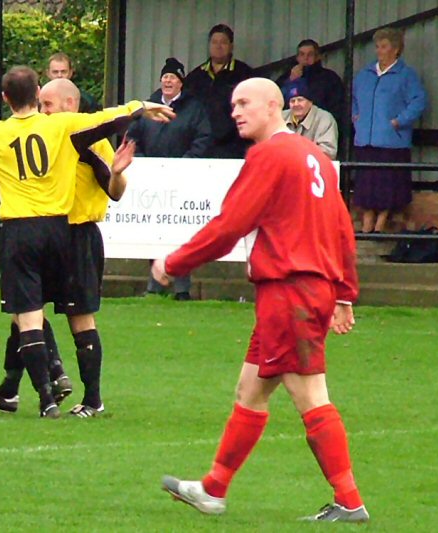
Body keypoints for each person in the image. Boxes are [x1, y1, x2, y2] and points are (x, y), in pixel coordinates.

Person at [153, 78, 369, 523]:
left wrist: (175, 262)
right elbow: (342, 230)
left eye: (245, 102)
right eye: (233, 104)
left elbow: (231, 224)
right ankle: (213, 489)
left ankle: (350, 501)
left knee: (310, 395)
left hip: (290, 288)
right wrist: (345, 293)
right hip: (307, 288)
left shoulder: (268, 154)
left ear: (275, 106)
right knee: (250, 389)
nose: (236, 111)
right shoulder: (316, 158)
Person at [0, 66, 173, 418]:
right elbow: (16, 180)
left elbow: (114, 193)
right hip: (52, 231)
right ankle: (15, 388)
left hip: (77, 235)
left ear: (71, 103)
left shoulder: (81, 136)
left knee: (69, 317)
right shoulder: (51, 131)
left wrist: (116, 172)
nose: (45, 108)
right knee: (24, 312)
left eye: (50, 103)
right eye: (42, 101)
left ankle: (89, 397)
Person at [127, 57, 211, 300]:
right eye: (165, 76)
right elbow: (132, 138)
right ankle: (154, 285)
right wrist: (143, 162)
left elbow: (203, 138)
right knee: (155, 231)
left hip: (184, 180)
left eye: (173, 77)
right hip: (152, 182)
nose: (168, 80)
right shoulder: (147, 107)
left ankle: (181, 287)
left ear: (181, 82)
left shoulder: (195, 108)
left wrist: (186, 164)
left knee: (181, 234)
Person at [352, 27, 426, 233]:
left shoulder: (406, 75)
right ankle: (368, 220)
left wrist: (399, 121)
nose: (379, 51)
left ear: (396, 50)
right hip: (366, 138)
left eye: (384, 46)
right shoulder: (365, 74)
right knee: (366, 184)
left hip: (392, 141)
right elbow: (354, 99)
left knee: (387, 185)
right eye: (377, 46)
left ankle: (381, 221)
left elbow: (418, 101)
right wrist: (356, 117)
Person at [184, 24, 254, 158]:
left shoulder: (244, 73)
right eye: (214, 42)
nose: (218, 46)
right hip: (201, 147)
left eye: (223, 42)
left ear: (231, 46)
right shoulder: (196, 76)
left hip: (235, 147)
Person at [276, 39, 346, 131]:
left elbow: (338, 108)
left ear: (317, 57)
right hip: (291, 127)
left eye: (310, 54)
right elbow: (276, 101)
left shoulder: (329, 78)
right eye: (302, 54)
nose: (305, 58)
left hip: (318, 127)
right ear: (297, 58)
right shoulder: (286, 77)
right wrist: (291, 81)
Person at [282, 78, 339, 159]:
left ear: (310, 102)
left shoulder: (325, 119)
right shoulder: (281, 117)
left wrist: (297, 151)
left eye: (300, 100)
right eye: (292, 101)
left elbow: (328, 152)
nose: (296, 104)